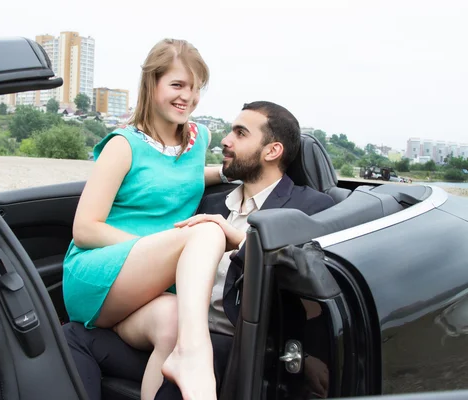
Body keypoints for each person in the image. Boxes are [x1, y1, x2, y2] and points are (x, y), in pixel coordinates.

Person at [63, 100, 336, 399]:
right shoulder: (210, 204)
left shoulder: (309, 208)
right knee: (70, 337)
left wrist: (243, 243)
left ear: (272, 151)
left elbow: (318, 282)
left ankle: (191, 358)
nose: (226, 141)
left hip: (236, 342)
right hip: (174, 326)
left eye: (240, 133)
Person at [62, 38, 227, 400]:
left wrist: (234, 172)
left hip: (152, 283)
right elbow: (85, 229)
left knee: (172, 321)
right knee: (206, 231)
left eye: (196, 88)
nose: (189, 97)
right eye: (178, 85)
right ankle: (196, 357)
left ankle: (176, 363)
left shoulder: (198, 140)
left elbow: (187, 175)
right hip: (100, 272)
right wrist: (153, 250)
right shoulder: (123, 145)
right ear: (152, 84)